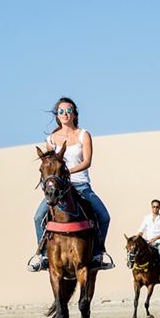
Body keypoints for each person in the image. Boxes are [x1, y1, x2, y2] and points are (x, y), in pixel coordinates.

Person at [28, 97, 115, 272]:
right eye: (61, 111)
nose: (65, 114)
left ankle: (98, 254)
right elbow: (50, 164)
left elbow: (87, 161)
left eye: (68, 110)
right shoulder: (51, 139)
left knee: (104, 216)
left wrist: (68, 173)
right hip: (59, 190)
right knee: (38, 217)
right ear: (57, 115)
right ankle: (43, 256)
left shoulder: (83, 135)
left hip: (81, 185)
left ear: (74, 114)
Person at [138, 199, 160, 268]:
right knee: (137, 252)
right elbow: (141, 230)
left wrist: (155, 239)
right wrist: (138, 237)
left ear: (159, 208)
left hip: (158, 242)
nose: (155, 208)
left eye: (157, 207)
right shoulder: (147, 217)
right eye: (153, 207)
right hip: (148, 242)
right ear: (151, 207)